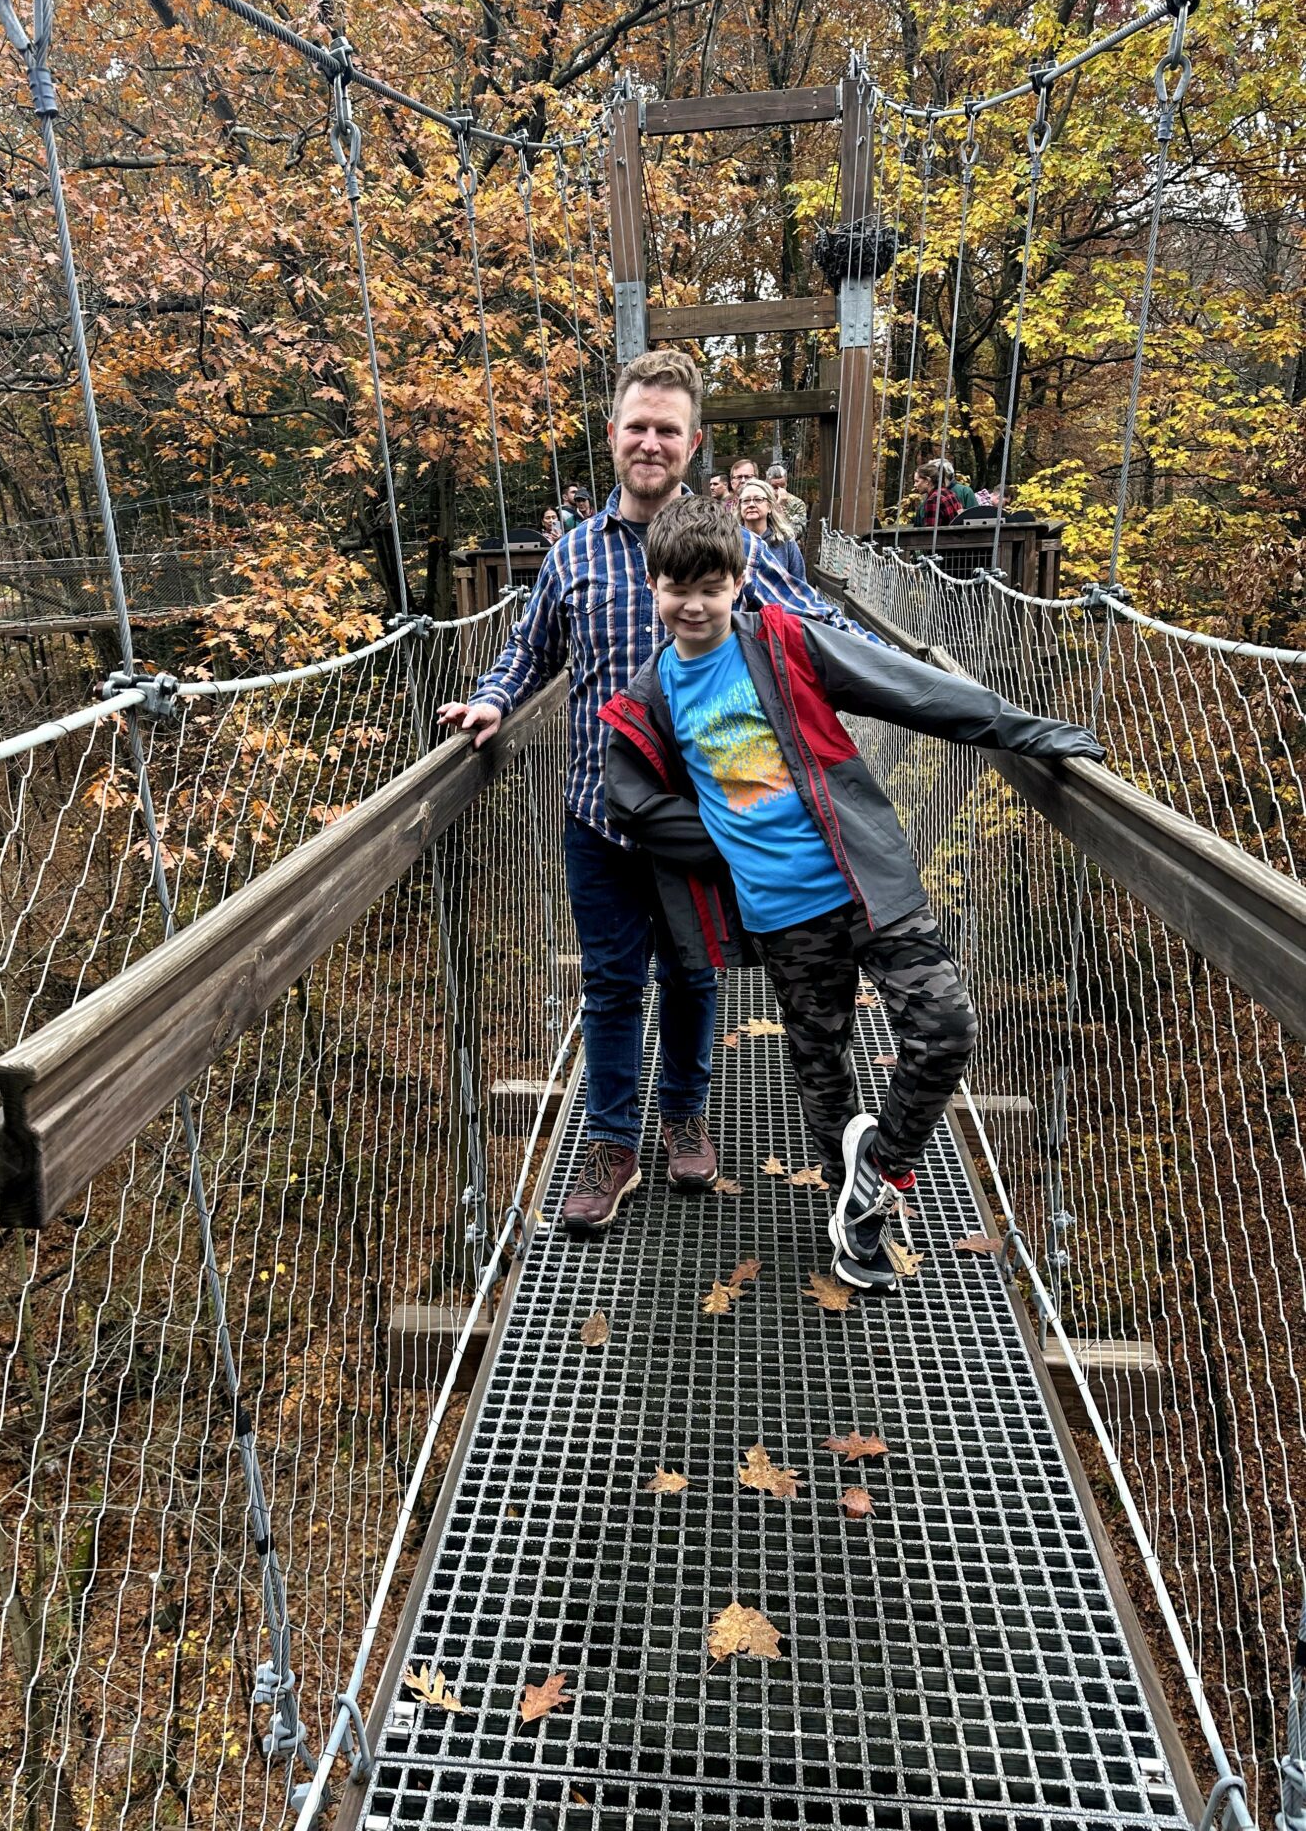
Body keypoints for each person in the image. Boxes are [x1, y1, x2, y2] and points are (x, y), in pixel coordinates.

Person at [600, 494, 1104, 1291]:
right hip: (780, 915)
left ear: (740, 581)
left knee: (944, 1027)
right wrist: (715, 836)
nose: (692, 604)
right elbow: (627, 796)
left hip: (869, 879)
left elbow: (906, 687)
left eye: (710, 585)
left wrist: (1020, 727)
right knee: (822, 1073)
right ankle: (857, 1229)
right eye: (675, 586)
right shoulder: (652, 692)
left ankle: (885, 1161)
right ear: (652, 586)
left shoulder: (786, 643)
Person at [436, 348, 864, 1235]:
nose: (651, 442)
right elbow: (531, 649)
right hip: (596, 808)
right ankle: (613, 1144)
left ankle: (684, 1116)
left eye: (668, 430)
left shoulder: (726, 545)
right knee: (609, 983)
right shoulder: (573, 556)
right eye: (637, 426)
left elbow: (814, 623)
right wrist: (491, 698)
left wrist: (908, 681)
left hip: (703, 817)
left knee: (694, 976)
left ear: (693, 440)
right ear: (613, 435)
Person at [736, 478, 806, 582]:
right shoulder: (732, 541)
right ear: (740, 507)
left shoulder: (786, 541)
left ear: (769, 507)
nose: (751, 504)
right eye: (746, 500)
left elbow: (800, 583)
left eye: (758, 499)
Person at [766, 461, 812, 536]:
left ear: (786, 483)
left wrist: (782, 508)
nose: (779, 491)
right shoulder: (761, 501)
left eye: (782, 486)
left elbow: (796, 534)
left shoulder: (797, 503)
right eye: (774, 487)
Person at [911, 462, 961, 528]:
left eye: (917, 481)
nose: (915, 485)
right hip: (957, 536)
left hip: (944, 538)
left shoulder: (933, 500)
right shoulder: (950, 493)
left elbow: (930, 533)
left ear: (927, 481)